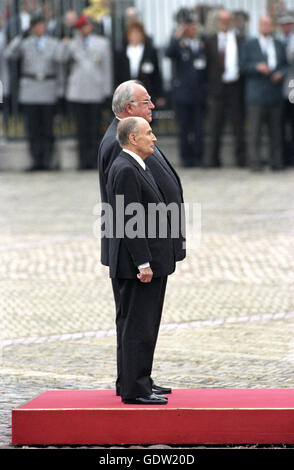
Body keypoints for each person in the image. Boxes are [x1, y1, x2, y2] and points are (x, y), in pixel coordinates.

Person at [97, 79, 185, 398]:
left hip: (149, 245)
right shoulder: (117, 143)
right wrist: (142, 258)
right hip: (135, 251)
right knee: (136, 322)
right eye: (146, 102)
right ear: (129, 109)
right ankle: (134, 385)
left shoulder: (136, 130)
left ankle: (138, 379)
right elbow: (122, 206)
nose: (152, 107)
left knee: (142, 321)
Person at [5, 14, 62, 171]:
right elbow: (9, 53)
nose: (39, 28)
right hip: (30, 88)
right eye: (36, 26)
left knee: (47, 127)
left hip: (48, 86)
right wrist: (20, 37)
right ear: (31, 28)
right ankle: (36, 161)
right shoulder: (25, 43)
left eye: (42, 25)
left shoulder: (53, 43)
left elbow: (60, 60)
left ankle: (47, 160)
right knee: (33, 128)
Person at [58, 14, 112, 169]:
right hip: (78, 90)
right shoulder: (73, 43)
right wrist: (65, 42)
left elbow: (107, 68)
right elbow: (61, 58)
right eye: (80, 27)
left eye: (86, 26)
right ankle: (83, 161)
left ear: (91, 26)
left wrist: (106, 91)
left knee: (95, 128)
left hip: (95, 89)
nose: (83, 29)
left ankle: (95, 160)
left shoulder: (101, 43)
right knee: (81, 128)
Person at [240, 16, 288, 171]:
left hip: (274, 94)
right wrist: (256, 67)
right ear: (259, 26)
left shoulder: (279, 44)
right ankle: (255, 163)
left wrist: (281, 73)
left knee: (276, 132)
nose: (266, 27)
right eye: (263, 24)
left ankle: (277, 162)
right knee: (255, 132)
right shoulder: (249, 44)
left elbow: (287, 65)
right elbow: (242, 67)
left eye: (269, 24)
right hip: (256, 95)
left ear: (272, 26)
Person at [205, 9, 247, 167]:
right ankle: (213, 160)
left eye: (227, 20)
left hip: (235, 87)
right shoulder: (210, 40)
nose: (224, 22)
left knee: (238, 125)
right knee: (215, 125)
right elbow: (207, 65)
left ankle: (241, 159)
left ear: (231, 21)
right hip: (217, 88)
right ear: (217, 22)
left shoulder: (239, 38)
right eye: (221, 20)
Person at [166, 10, 207, 167]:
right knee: (184, 128)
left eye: (193, 25)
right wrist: (175, 37)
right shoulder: (179, 44)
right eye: (188, 25)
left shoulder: (201, 43)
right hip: (182, 94)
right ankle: (186, 157)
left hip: (198, 93)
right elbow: (168, 54)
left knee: (198, 128)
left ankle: (198, 156)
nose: (191, 28)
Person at [115, 20, 164, 108]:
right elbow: (117, 74)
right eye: (132, 34)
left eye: (138, 34)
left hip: (146, 92)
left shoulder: (150, 52)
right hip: (126, 94)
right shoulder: (121, 53)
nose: (135, 37)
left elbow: (156, 74)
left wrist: (159, 94)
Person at [278, 12, 294, 167]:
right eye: (283, 24)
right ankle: (285, 156)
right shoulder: (278, 40)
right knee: (282, 124)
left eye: (289, 24)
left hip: (292, 87)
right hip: (280, 89)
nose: (286, 27)